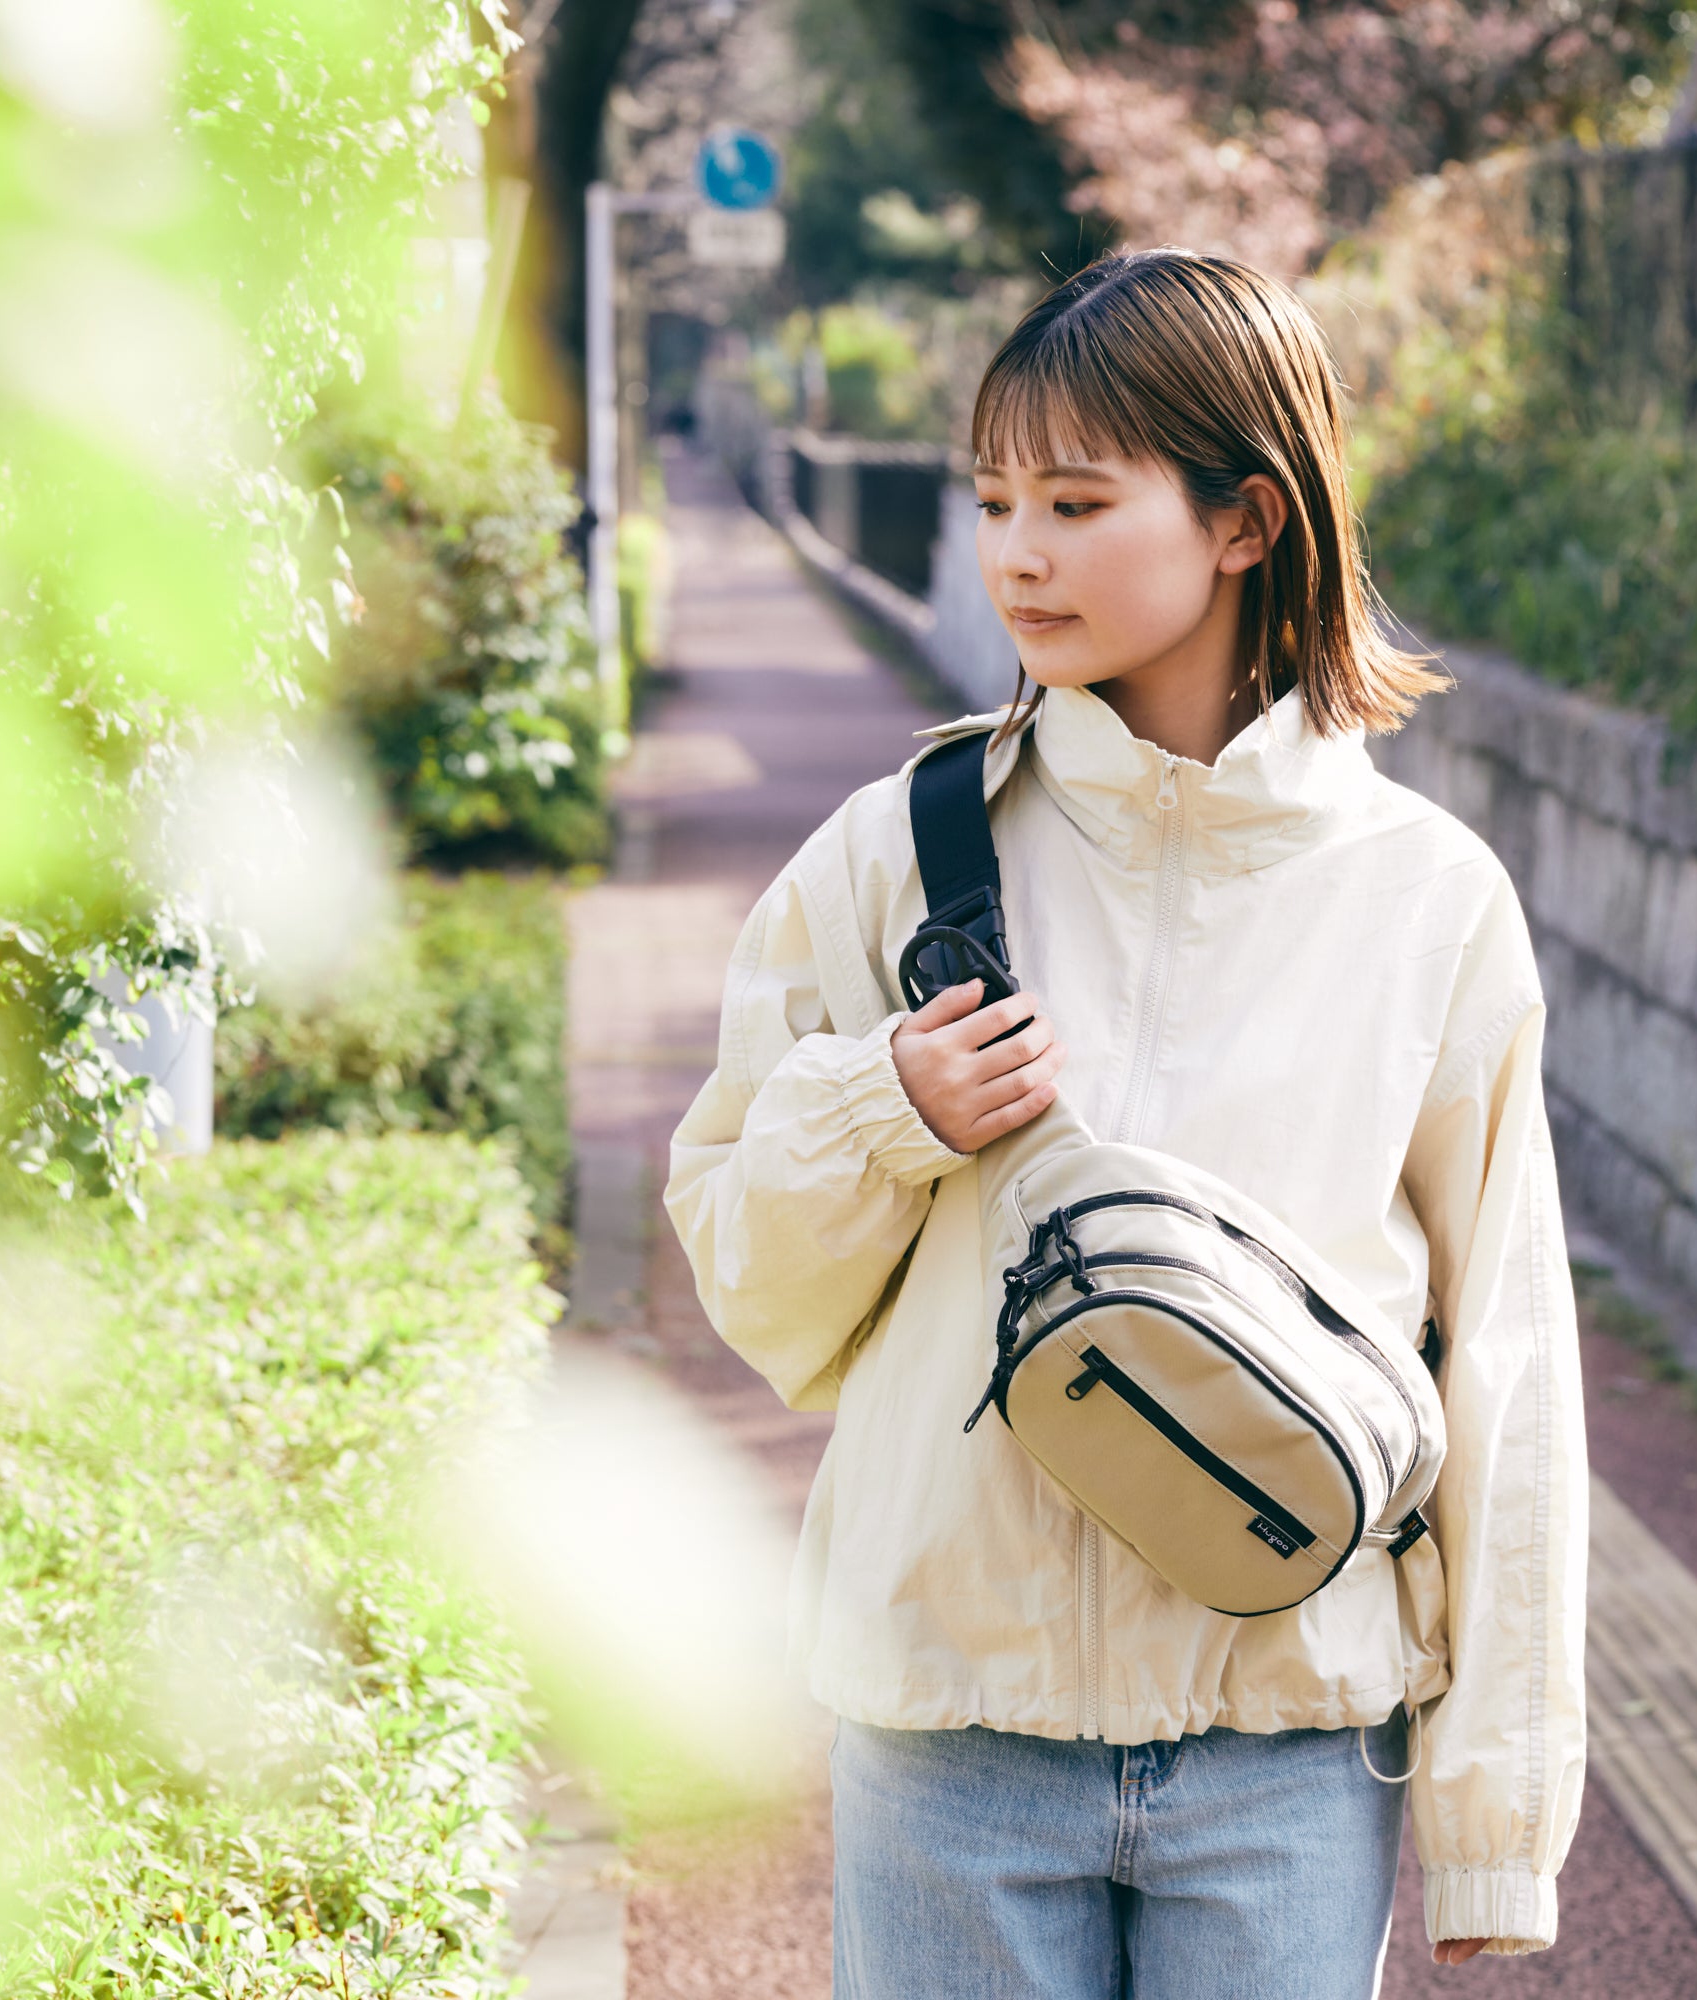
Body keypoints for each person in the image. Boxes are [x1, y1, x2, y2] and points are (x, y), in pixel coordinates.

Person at [663, 249, 1587, 1996]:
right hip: (955, 1737)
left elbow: (1508, 1370)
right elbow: (747, 1275)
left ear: (1246, 522)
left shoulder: (1427, 898)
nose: (1019, 550)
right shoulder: (901, 849)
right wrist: (886, 1110)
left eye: (1079, 501)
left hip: (1292, 1749)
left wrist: (1497, 1810)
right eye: (995, 497)